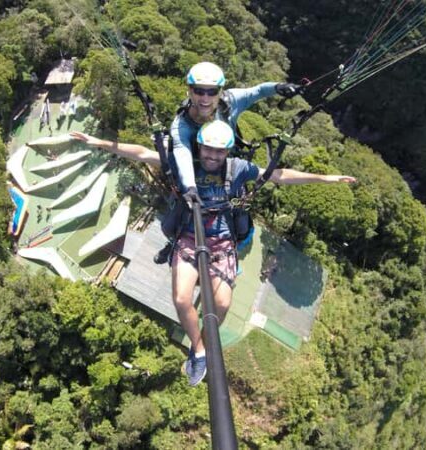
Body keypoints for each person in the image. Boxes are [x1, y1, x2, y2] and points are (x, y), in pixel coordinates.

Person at [70, 122, 356, 385]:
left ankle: (203, 345)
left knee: (221, 303)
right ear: (200, 146)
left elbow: (278, 175)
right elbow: (144, 153)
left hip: (221, 242)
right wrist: (99, 142)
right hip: (189, 237)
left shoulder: (237, 169)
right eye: (208, 149)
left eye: (219, 151)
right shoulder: (187, 165)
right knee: (182, 298)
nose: (212, 156)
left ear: (227, 151)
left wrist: (326, 179)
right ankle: (198, 350)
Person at [171, 61, 302, 202]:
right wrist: (190, 187)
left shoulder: (230, 101)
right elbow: (182, 155)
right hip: (198, 169)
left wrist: (278, 87)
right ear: (190, 91)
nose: (205, 98)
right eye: (199, 91)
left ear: (220, 91)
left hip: (229, 167)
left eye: (212, 92)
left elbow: (258, 91)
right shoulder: (181, 125)